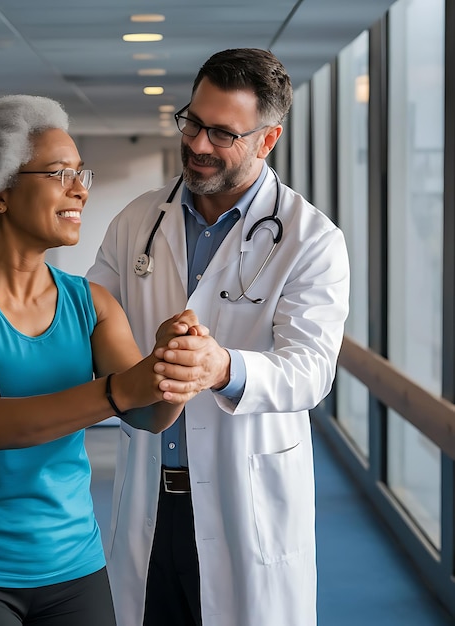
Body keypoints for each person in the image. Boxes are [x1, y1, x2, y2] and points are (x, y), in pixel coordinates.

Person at [0, 94, 207, 626]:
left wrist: (167, 368)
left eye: (80, 173)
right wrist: (118, 390)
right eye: (59, 174)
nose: (80, 189)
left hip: (74, 566)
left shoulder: (91, 304)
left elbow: (148, 417)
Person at [87, 48, 351, 626]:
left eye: (222, 133)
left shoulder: (311, 239)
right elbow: (89, 321)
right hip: (150, 497)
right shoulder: (138, 221)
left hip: (246, 499)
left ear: (267, 138)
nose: (199, 144)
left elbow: (311, 370)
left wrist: (224, 368)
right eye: (193, 122)